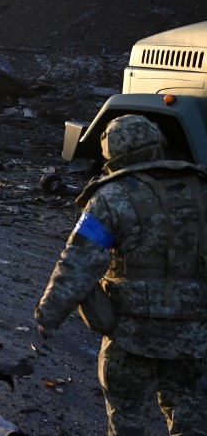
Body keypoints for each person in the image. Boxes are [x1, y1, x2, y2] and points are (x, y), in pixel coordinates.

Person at [35, 114, 207, 436]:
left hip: (132, 334)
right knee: (190, 413)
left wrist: (49, 313)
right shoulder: (199, 188)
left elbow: (79, 262)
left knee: (127, 415)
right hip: (193, 334)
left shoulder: (110, 197)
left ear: (112, 154)